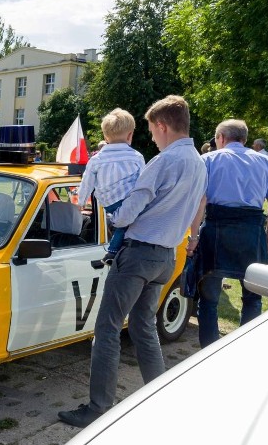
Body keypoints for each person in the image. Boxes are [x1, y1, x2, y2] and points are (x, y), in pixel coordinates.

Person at [58, 95, 207, 428]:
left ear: (162, 125)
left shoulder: (162, 162)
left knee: (107, 329)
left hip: (138, 254)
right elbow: (199, 205)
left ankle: (98, 407)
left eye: (152, 131)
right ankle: (158, 395)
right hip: (166, 256)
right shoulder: (198, 162)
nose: (151, 138)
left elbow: (131, 208)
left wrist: (116, 222)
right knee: (143, 327)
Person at [189, 119, 268, 348]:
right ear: (244, 139)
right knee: (253, 297)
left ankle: (209, 351)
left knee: (209, 299)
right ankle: (244, 350)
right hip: (252, 234)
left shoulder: (208, 160)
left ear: (221, 138)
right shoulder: (267, 162)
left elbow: (200, 201)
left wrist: (193, 238)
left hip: (216, 232)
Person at [77, 108, 146, 264]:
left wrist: (80, 203)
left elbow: (86, 183)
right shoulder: (136, 156)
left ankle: (114, 249)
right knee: (128, 223)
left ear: (105, 136)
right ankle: (112, 252)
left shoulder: (96, 159)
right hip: (129, 200)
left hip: (108, 203)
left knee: (123, 223)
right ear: (130, 135)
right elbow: (144, 182)